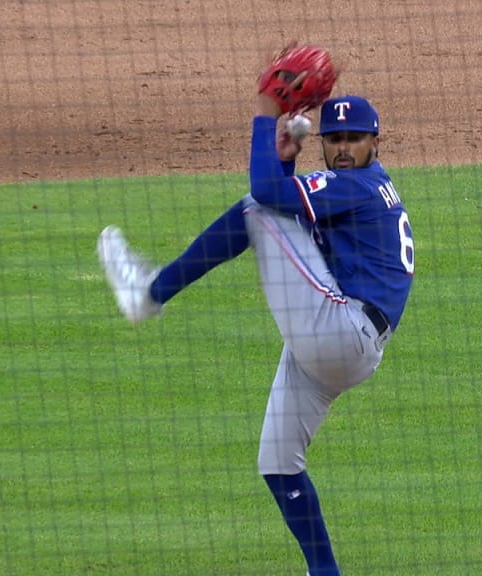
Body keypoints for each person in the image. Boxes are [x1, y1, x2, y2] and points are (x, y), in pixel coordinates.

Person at [97, 91, 414, 576]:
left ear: (376, 141)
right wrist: (285, 162)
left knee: (255, 211)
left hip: (341, 327)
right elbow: (291, 207)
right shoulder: (353, 187)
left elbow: (267, 199)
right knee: (278, 463)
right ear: (324, 144)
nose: (344, 148)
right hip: (344, 341)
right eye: (335, 139)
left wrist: (265, 115)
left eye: (354, 138)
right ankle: (324, 571)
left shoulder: (361, 186)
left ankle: (149, 295)